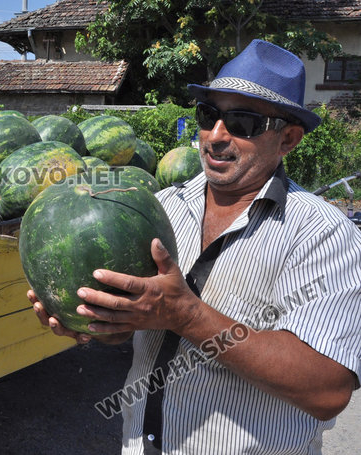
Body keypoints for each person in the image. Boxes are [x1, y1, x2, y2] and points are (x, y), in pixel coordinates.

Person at [31, 39, 361, 454]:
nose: (216, 136)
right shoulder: (159, 207)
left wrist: (187, 315)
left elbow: (327, 390)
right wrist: (94, 323)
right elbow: (137, 325)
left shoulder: (322, 233)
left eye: (243, 122)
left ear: (289, 138)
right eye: (209, 116)